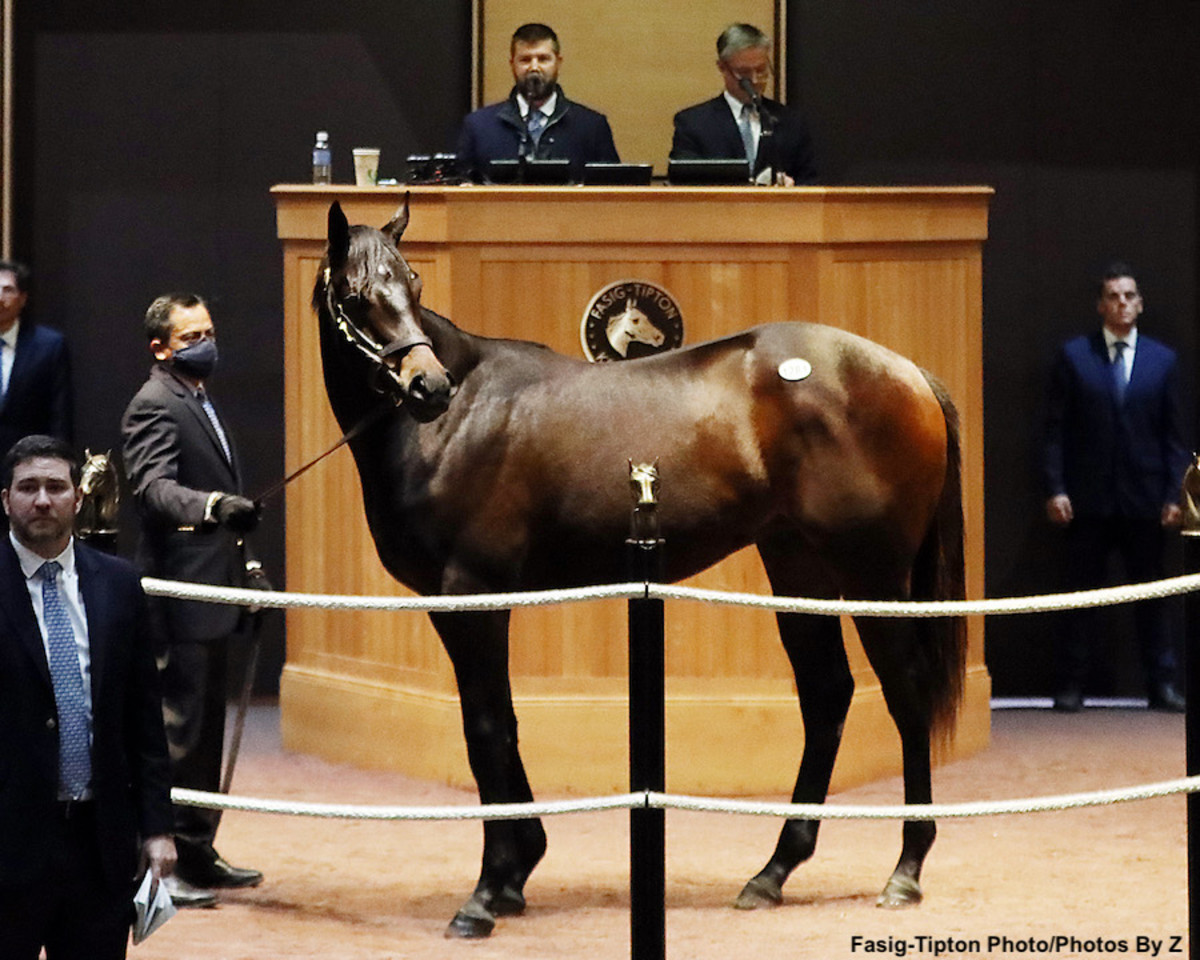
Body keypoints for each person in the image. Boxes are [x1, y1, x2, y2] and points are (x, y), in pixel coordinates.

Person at [0, 434, 175, 958]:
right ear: (5, 500)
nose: (42, 500)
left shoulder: (119, 584)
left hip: (100, 849)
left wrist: (158, 828)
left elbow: (144, 720)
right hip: (8, 848)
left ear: (79, 499)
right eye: (27, 488)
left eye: (56, 487)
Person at [121, 293, 267, 906]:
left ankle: (199, 850)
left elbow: (226, 496)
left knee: (204, 732)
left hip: (218, 587)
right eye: (191, 337)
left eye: (208, 330)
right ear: (160, 348)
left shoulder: (200, 399)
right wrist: (210, 506)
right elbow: (153, 488)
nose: (206, 343)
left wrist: (250, 567)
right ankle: (163, 865)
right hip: (179, 598)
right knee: (177, 731)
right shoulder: (154, 403)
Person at [1042, 262, 1190, 713]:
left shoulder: (1163, 360)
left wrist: (1174, 496)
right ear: (1100, 304)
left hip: (1146, 503)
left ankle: (1161, 685)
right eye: (1113, 296)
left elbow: (1176, 438)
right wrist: (1055, 488)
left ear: (1140, 304)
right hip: (1086, 501)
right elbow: (1054, 432)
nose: (1121, 303)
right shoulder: (1075, 356)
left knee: (1152, 601)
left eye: (1129, 296)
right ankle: (1069, 685)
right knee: (1080, 599)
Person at [454, 22, 620, 182]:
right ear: (512, 64)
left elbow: (613, 192)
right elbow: (458, 185)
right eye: (525, 60)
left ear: (558, 63)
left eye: (543, 59)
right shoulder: (478, 126)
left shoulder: (592, 126)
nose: (534, 67)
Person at [670, 23, 818, 186]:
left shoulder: (791, 122)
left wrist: (793, 189)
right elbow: (684, 185)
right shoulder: (693, 124)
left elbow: (811, 181)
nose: (755, 81)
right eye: (744, 73)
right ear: (722, 68)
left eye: (761, 70)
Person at [0, 260, 73, 460]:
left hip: (26, 460)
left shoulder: (49, 345)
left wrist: (59, 460)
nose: (0, 298)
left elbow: (60, 416)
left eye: (8, 290)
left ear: (22, 298)